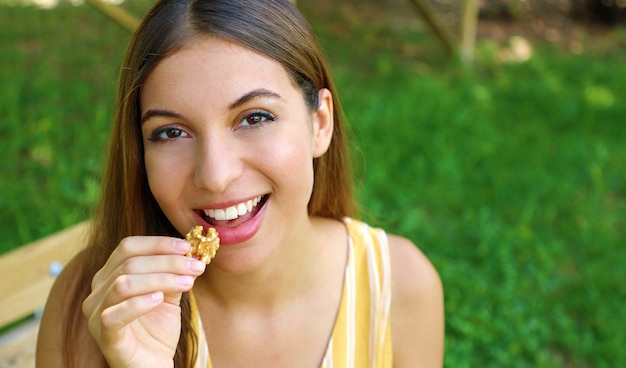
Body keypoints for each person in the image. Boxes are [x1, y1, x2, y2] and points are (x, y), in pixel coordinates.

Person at [36, 0, 444, 367]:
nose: (215, 176)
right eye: (172, 132)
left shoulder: (399, 286)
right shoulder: (97, 305)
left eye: (255, 118)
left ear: (319, 123)